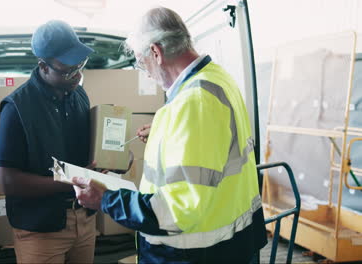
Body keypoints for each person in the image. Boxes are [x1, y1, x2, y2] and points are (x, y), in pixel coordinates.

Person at [73, 7, 267, 263]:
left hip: (194, 254)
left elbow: (176, 212)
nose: (148, 75)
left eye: (143, 65)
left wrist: (106, 199)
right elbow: (214, 145)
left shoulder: (192, 104)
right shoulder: (217, 79)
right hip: (232, 243)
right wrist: (167, 132)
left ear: (156, 52)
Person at [0, 20, 97, 263]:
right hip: (40, 229)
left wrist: (113, 159)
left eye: (80, 65)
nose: (78, 75)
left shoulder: (78, 95)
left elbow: (85, 151)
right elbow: (9, 181)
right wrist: (72, 181)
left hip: (83, 220)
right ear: (43, 66)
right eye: (69, 70)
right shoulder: (17, 108)